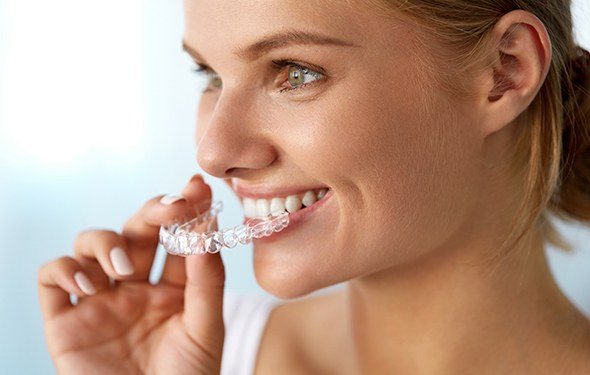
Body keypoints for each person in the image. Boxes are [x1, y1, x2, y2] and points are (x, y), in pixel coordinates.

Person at [38, 0, 590, 373]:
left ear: (504, 72)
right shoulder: (193, 354)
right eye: (210, 76)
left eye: (295, 71)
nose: (214, 153)